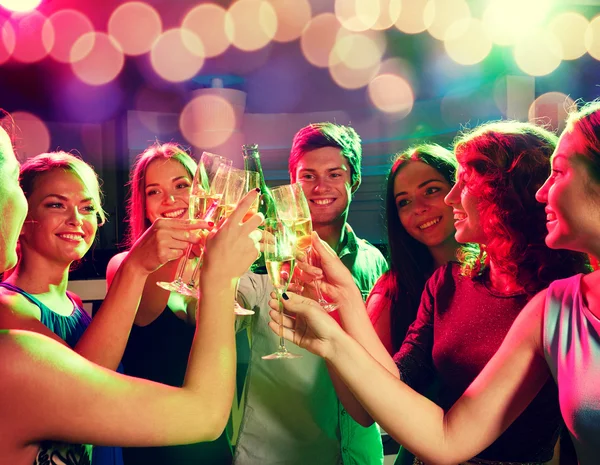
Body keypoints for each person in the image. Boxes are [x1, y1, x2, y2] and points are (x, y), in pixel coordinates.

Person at [269, 119, 594, 465]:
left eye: (463, 183)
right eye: (404, 202)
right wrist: (345, 298)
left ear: (508, 193)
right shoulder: (448, 282)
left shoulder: (559, 300)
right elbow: (395, 385)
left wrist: (335, 332)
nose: (452, 197)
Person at [0, 116, 264, 464]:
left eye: (88, 207)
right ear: (23, 217)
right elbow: (84, 394)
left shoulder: (74, 304)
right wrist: (214, 278)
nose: (76, 220)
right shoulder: (11, 316)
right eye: (55, 204)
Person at [233, 122, 388, 465]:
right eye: (307, 176)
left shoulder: (373, 261)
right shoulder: (263, 255)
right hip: (279, 454)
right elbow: (221, 313)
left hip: (362, 454)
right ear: (293, 183)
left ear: (355, 180)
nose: (320, 187)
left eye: (334, 174)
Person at [106, 142, 232, 465]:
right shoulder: (125, 266)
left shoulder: (219, 264)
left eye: (181, 186)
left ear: (201, 193)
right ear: (144, 206)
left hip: (211, 439)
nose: (171, 200)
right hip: (151, 440)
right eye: (154, 192)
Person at [367, 144, 460, 355]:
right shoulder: (391, 293)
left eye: (431, 190)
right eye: (404, 202)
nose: (418, 208)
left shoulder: (501, 271)